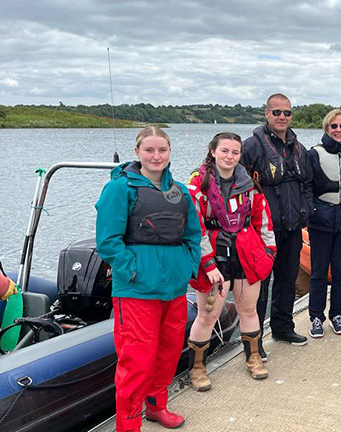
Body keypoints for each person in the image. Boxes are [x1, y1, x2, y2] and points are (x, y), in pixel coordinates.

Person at [95, 126, 202, 432]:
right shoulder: (119, 189)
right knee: (136, 361)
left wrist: (186, 267)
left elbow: (193, 235)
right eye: (149, 150)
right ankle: (128, 424)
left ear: (170, 153)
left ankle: (157, 407)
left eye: (162, 150)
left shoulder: (180, 190)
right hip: (137, 291)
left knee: (168, 355)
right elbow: (108, 241)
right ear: (137, 151)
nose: (156, 156)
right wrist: (133, 269)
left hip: (174, 289)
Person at [186, 132, 276, 384]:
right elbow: (194, 228)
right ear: (213, 151)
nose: (229, 156)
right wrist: (207, 263)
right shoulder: (198, 187)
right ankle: (197, 368)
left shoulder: (249, 187)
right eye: (224, 151)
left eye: (235, 152)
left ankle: (253, 356)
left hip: (246, 255)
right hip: (214, 257)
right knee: (208, 315)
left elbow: (265, 223)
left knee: (249, 310)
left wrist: (268, 255)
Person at [241, 93, 313, 349]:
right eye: (277, 112)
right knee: (259, 286)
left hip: (293, 227)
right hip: (263, 231)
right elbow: (237, 183)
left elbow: (307, 183)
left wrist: (307, 210)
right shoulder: (251, 146)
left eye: (287, 113)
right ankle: (254, 338)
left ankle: (283, 327)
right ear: (266, 114)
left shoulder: (298, 147)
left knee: (287, 279)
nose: (282, 117)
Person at [307, 109, 341, 337]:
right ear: (327, 128)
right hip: (321, 220)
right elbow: (307, 187)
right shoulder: (314, 154)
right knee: (319, 272)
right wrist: (312, 212)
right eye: (334, 126)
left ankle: (336, 314)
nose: (338, 130)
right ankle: (316, 317)